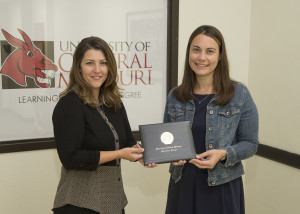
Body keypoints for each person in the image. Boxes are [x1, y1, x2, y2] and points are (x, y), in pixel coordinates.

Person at [164, 25, 259, 214]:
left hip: (222, 186)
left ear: (220, 56)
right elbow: (167, 140)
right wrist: (170, 155)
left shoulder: (240, 94)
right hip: (183, 185)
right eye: (196, 50)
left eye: (210, 51)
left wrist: (223, 153)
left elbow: (250, 144)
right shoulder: (175, 95)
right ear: (189, 53)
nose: (201, 57)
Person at [52, 36, 145, 214]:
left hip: (114, 203)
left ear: (109, 66)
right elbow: (70, 158)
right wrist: (119, 154)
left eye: (103, 63)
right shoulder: (69, 105)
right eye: (89, 63)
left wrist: (146, 155)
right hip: (79, 204)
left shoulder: (113, 102)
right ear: (78, 67)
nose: (97, 70)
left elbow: (127, 141)